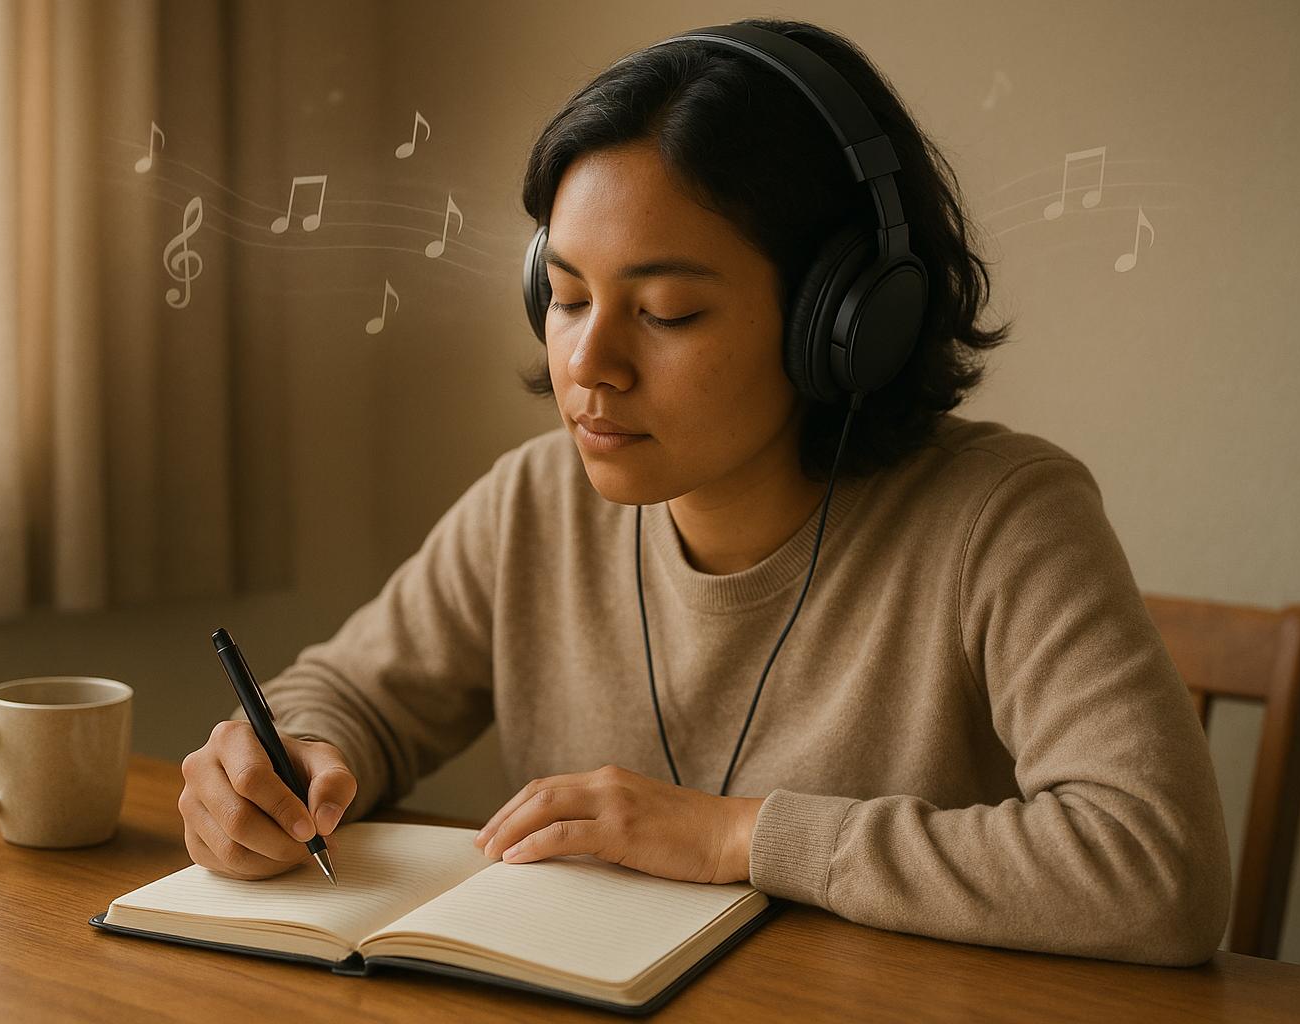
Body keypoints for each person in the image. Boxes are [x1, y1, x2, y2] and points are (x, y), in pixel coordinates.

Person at [178, 17, 1231, 966]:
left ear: (847, 323)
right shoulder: (533, 504)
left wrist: (736, 834)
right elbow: (347, 695)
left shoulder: (1003, 517)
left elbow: (1158, 867)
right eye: (570, 295)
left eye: (669, 311)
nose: (590, 363)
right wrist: (287, 764)